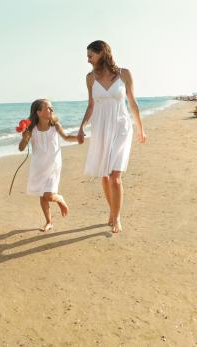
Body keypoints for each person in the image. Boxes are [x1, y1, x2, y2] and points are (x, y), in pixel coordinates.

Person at [77, 40, 147, 234]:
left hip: (121, 126)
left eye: (91, 55)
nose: (88, 59)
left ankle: (116, 218)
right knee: (105, 175)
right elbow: (91, 105)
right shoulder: (90, 78)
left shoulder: (124, 74)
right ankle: (112, 210)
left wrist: (141, 129)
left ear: (102, 53)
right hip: (100, 127)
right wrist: (81, 127)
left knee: (115, 175)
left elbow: (132, 102)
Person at [18, 99, 78, 232]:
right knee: (42, 195)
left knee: (49, 195)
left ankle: (59, 198)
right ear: (38, 112)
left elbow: (66, 137)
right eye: (48, 108)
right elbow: (21, 148)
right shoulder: (31, 129)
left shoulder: (55, 126)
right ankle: (49, 222)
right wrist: (25, 137)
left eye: (51, 108)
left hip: (53, 165)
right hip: (38, 166)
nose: (52, 110)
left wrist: (78, 138)